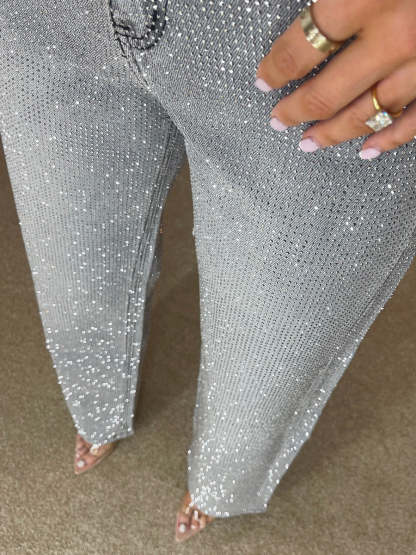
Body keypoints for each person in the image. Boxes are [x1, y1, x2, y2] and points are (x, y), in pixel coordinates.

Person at [1, 0, 415, 544]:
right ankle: (96, 407)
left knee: (268, 354)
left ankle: (220, 483)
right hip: (41, 20)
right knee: (71, 275)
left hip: (304, 40)